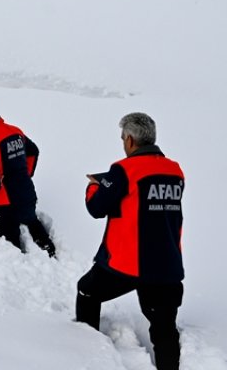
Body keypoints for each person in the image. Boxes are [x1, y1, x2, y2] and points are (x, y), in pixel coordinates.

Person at [76, 112, 185, 370]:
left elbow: (96, 207)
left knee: (87, 290)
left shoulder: (123, 170)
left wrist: (95, 186)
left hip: (128, 265)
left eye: (123, 138)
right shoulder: (175, 170)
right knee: (164, 329)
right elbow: (146, 200)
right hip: (167, 265)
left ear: (130, 141)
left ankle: (84, 351)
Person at [0, 103, 56, 257]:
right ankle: (50, 252)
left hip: (5, 198)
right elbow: (33, 151)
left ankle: (19, 265)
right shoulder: (14, 131)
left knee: (9, 238)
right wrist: (27, 173)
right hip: (25, 190)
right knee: (32, 221)